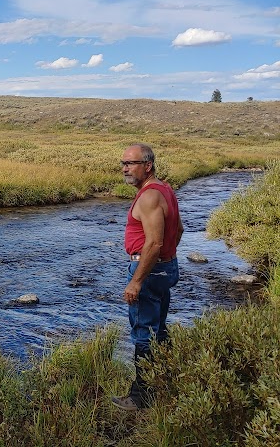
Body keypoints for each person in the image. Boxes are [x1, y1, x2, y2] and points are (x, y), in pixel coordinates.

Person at [112, 143, 183, 411]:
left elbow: (153, 244)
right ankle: (161, 381)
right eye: (123, 163)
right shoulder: (165, 189)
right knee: (158, 330)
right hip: (164, 269)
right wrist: (169, 259)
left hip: (149, 270)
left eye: (130, 163)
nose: (125, 169)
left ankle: (140, 397)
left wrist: (137, 280)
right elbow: (178, 230)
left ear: (148, 166)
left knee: (143, 334)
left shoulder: (150, 196)